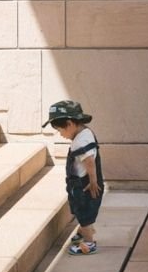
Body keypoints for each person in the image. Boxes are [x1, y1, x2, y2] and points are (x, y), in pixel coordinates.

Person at [43, 100, 103, 255]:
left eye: (60, 130)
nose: (60, 134)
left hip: (84, 184)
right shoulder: (85, 133)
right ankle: (84, 231)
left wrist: (93, 181)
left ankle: (89, 243)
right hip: (82, 182)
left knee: (84, 214)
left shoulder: (80, 141)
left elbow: (89, 162)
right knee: (81, 211)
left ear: (69, 124)